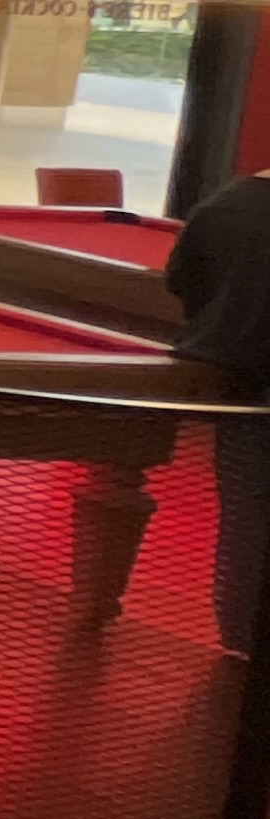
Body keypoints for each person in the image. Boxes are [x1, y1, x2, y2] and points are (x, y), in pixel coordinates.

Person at [166, 178, 270, 654]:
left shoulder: (223, 205)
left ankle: (240, 645)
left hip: (241, 390)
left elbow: (185, 289)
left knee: (247, 521)